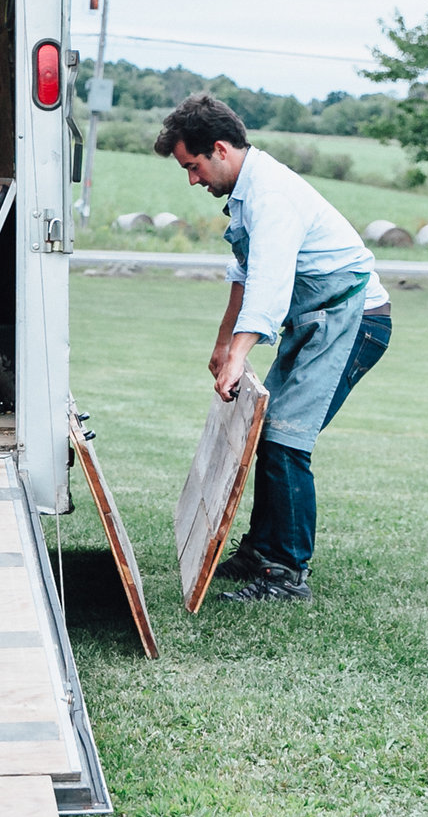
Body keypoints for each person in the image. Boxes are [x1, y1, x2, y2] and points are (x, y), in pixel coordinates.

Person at [155, 94, 393, 602]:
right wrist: (224, 344)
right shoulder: (247, 193)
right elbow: (243, 274)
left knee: (287, 441)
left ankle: (286, 573)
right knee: (269, 433)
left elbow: (269, 282)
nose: (192, 180)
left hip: (353, 321)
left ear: (219, 148)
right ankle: (260, 553)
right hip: (317, 321)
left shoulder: (270, 195)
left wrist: (242, 354)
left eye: (193, 166)